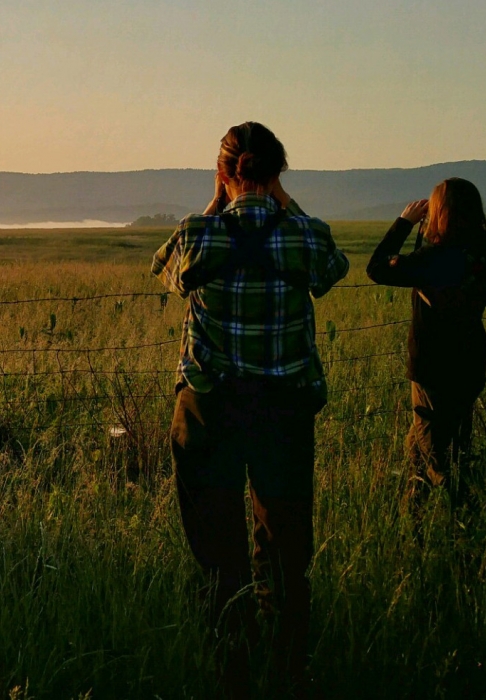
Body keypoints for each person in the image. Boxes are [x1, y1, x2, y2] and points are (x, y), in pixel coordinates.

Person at [152, 122, 349, 697]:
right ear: (277, 172)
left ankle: (229, 669)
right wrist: (285, 203)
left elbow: (162, 269)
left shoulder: (197, 234)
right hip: (282, 414)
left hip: (209, 410)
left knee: (217, 553)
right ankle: (287, 669)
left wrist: (216, 203)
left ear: (226, 172)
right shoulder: (306, 235)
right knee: (285, 548)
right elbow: (333, 267)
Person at [365, 178, 486, 505]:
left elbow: (377, 268)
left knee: (433, 453)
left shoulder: (435, 260)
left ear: (440, 212)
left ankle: (461, 509)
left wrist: (405, 223)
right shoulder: (485, 254)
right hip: (469, 361)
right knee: (449, 441)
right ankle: (419, 513)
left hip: (432, 366)